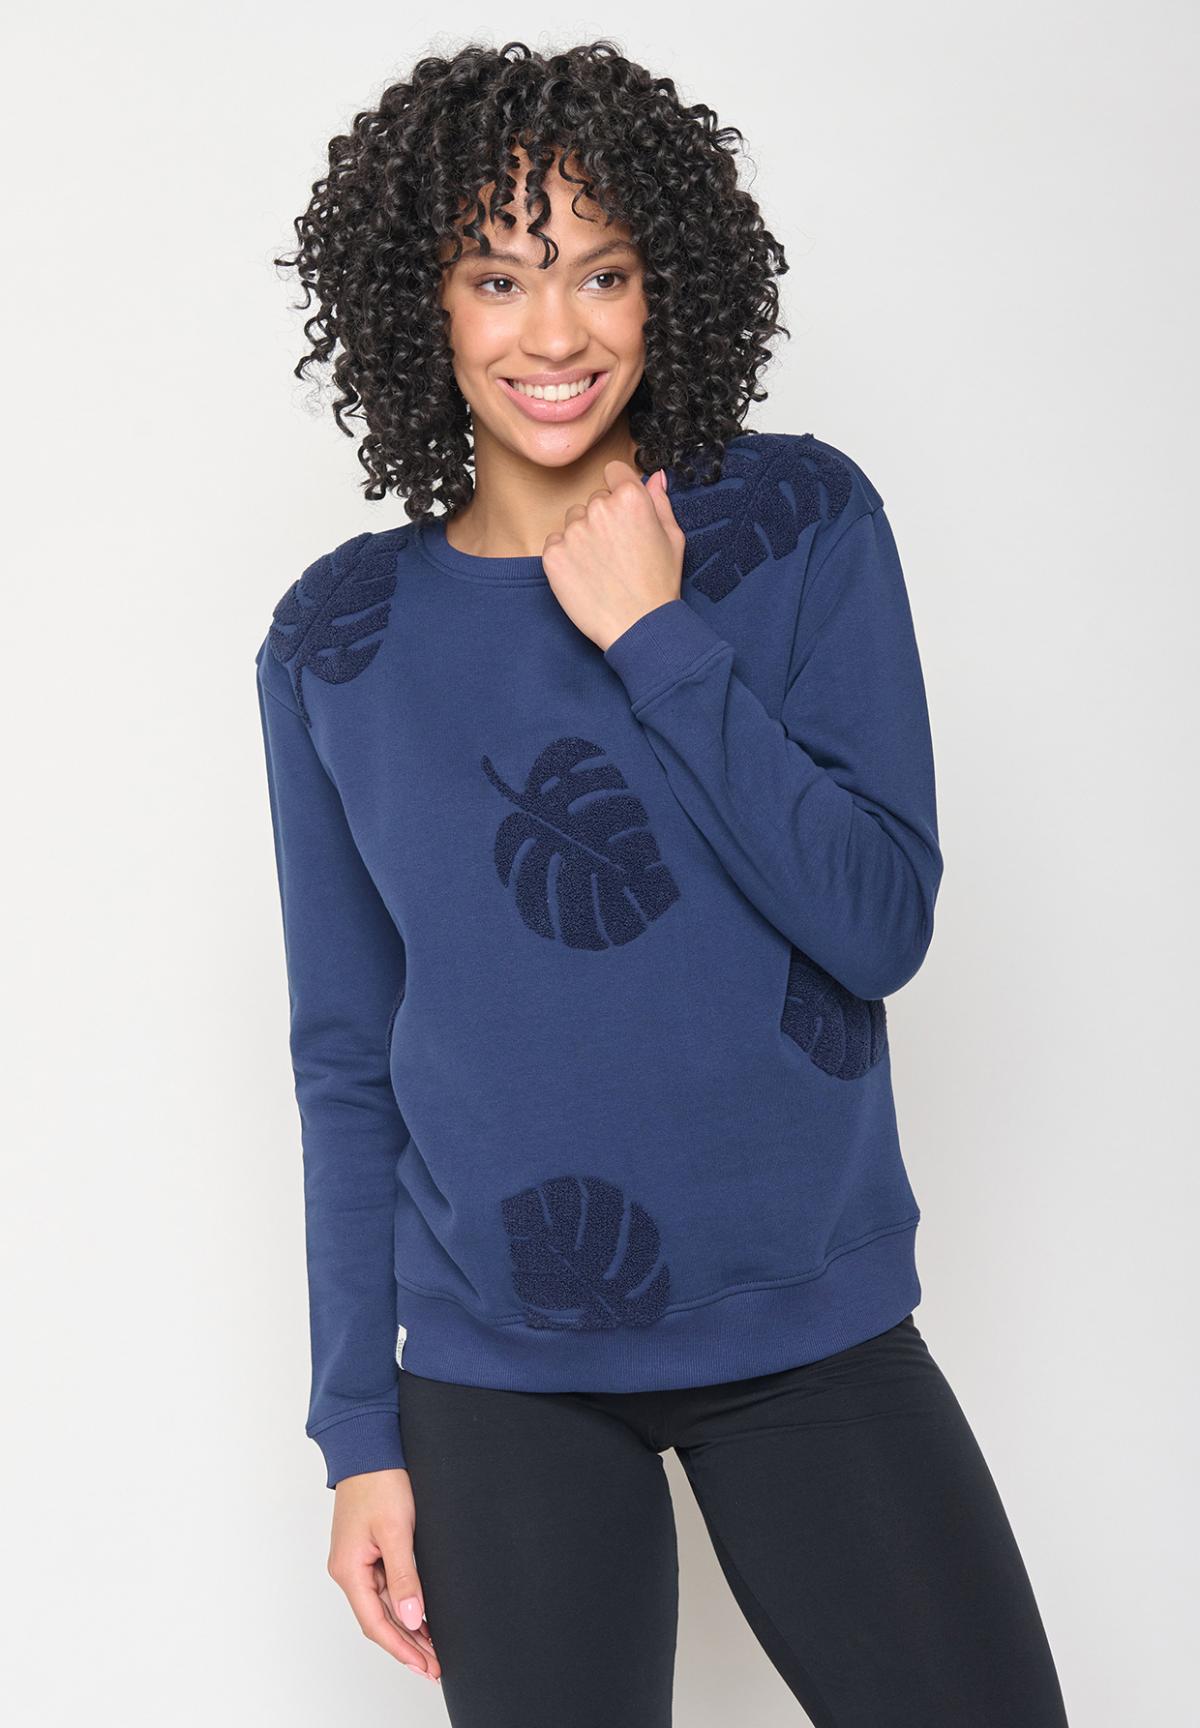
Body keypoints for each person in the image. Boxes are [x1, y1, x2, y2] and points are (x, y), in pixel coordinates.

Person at [255, 38, 1070, 1728]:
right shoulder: (338, 640)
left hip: (812, 1328)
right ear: (422, 306)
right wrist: (356, 1434)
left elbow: (878, 921)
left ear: (667, 283)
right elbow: (346, 1053)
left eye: (602, 273)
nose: (555, 334)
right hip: (496, 1374)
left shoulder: (795, 524)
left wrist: (653, 633)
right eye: (499, 278)